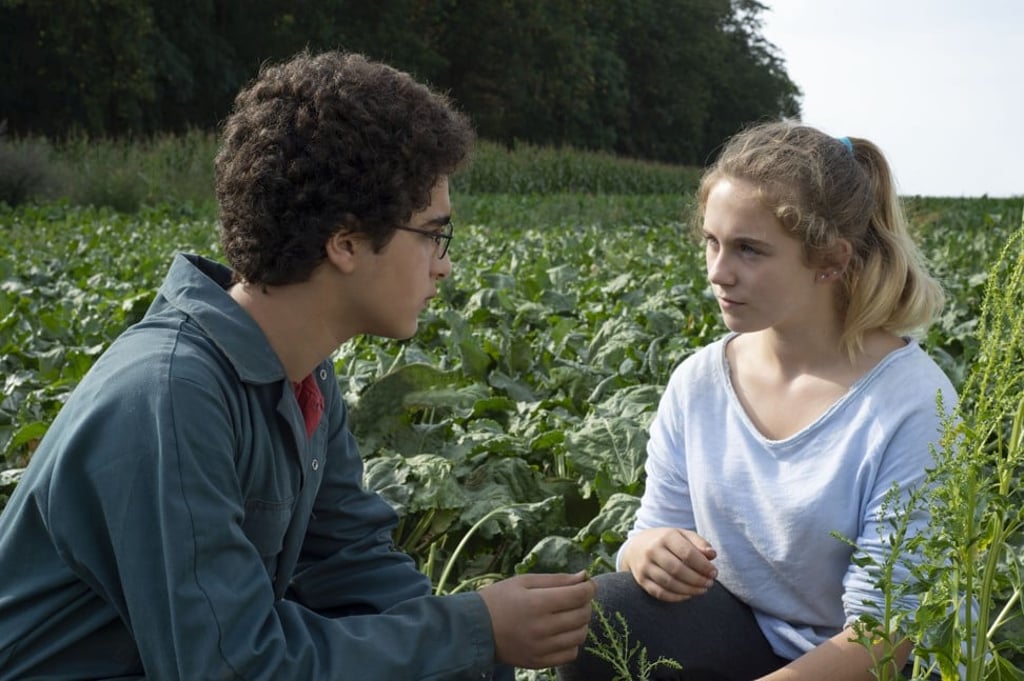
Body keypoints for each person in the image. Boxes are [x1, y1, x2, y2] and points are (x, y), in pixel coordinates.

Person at [0, 50, 595, 680]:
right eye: (432, 233)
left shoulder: (303, 369)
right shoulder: (170, 394)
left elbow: (347, 562)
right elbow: (234, 669)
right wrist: (472, 629)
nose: (444, 264)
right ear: (344, 243)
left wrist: (480, 651)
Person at [558, 121, 956, 681]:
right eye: (712, 242)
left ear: (831, 260)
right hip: (744, 636)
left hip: (874, 662)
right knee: (603, 615)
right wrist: (647, 549)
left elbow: (888, 630)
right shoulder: (698, 381)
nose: (719, 273)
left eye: (749, 249)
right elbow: (651, 528)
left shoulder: (912, 401)